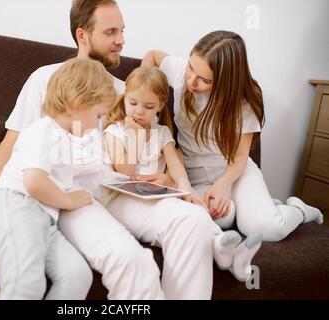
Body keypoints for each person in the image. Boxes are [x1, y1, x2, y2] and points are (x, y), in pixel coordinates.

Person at [0, 0, 215, 299]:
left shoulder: (130, 93)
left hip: (118, 188)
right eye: (111, 32)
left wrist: (169, 181)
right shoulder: (46, 79)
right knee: (130, 261)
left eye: (122, 31)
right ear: (82, 35)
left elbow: (159, 150)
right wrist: (7, 207)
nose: (121, 40)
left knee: (194, 221)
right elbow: (11, 146)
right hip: (71, 194)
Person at [141, 30, 324, 243]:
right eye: (191, 67)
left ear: (226, 81)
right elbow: (153, 55)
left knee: (267, 229)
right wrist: (138, 89)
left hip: (234, 174)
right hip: (195, 176)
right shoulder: (182, 71)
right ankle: (253, 207)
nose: (191, 81)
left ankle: (298, 210)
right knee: (209, 219)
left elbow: (239, 159)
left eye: (205, 80)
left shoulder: (243, 102)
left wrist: (221, 187)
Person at [103, 65, 262, 282]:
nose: (139, 111)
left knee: (192, 209)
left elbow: (175, 164)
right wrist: (137, 136)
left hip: (159, 193)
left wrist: (183, 187)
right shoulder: (115, 130)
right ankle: (223, 251)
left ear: (159, 106)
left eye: (148, 106)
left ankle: (223, 246)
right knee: (179, 220)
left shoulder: (162, 132)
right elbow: (124, 170)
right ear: (124, 98)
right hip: (131, 198)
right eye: (132, 103)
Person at [0, 58, 117, 299]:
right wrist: (69, 200)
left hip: (43, 218)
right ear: (77, 104)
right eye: (97, 116)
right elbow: (33, 182)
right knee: (26, 284)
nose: (97, 126)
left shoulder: (64, 139)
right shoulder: (46, 129)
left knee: (77, 276)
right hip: (15, 206)